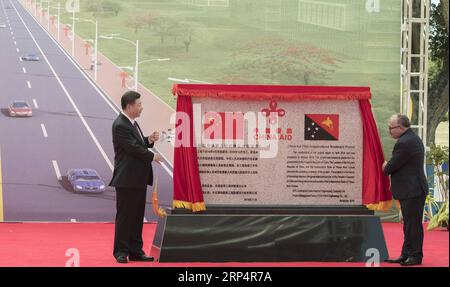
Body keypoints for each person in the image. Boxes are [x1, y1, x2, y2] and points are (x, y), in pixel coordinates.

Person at [110, 90, 162, 264]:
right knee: (125, 217)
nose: (141, 108)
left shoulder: (132, 123)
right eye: (139, 105)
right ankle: (121, 252)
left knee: (137, 216)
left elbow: (138, 143)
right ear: (130, 106)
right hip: (126, 179)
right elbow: (132, 148)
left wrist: (149, 140)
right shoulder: (120, 125)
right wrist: (152, 156)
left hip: (138, 178)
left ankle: (135, 250)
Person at [382, 114, 428, 266]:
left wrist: (385, 166)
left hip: (412, 190)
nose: (390, 131)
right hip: (412, 189)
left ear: (400, 127)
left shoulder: (404, 143)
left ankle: (415, 256)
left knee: (413, 224)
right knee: (409, 224)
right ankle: (406, 254)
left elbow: (390, 167)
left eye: (391, 128)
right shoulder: (411, 139)